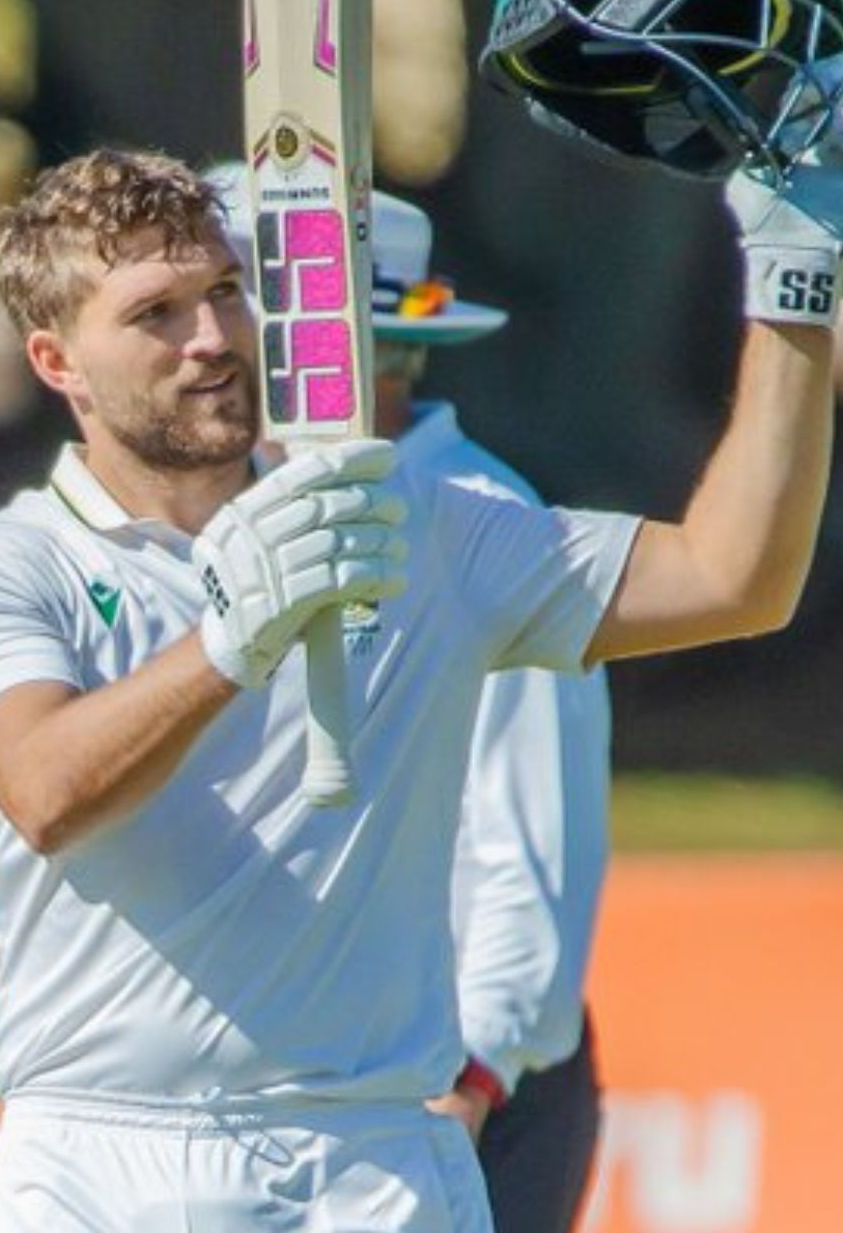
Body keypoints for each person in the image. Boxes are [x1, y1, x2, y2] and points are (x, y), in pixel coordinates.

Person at [0, 10, 843, 1231]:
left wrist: (792, 290)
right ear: (55, 360)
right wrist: (233, 635)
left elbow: (732, 577)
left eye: (227, 293)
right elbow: (42, 786)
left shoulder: (419, 522)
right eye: (155, 315)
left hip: (368, 1161)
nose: (214, 340)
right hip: (94, 1157)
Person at [207, 162, 611, 1231]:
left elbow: (528, 843)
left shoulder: (483, 522)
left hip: (457, 1085)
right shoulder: (263, 529)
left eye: (236, 325)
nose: (205, 354)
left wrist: (468, 1081)